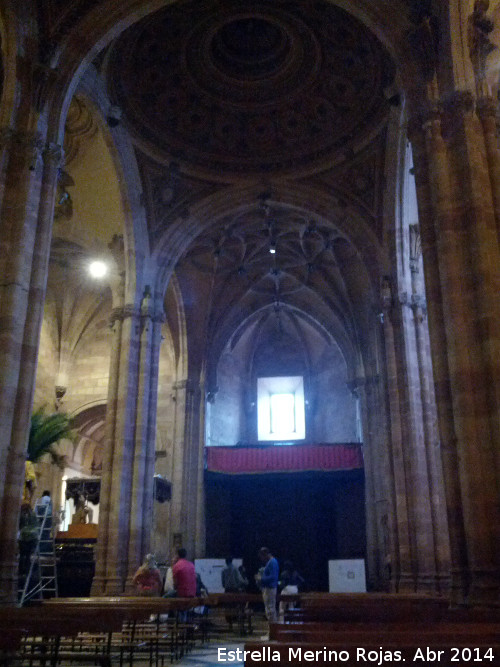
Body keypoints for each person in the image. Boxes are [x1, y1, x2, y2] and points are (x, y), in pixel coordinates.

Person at [255, 547, 279, 631]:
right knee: (269, 610)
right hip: (268, 588)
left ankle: (273, 632)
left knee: (270, 611)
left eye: (261, 557)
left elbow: (273, 577)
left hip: (270, 589)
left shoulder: (272, 562)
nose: (261, 559)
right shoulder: (271, 562)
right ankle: (272, 631)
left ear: (265, 554)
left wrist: (260, 579)